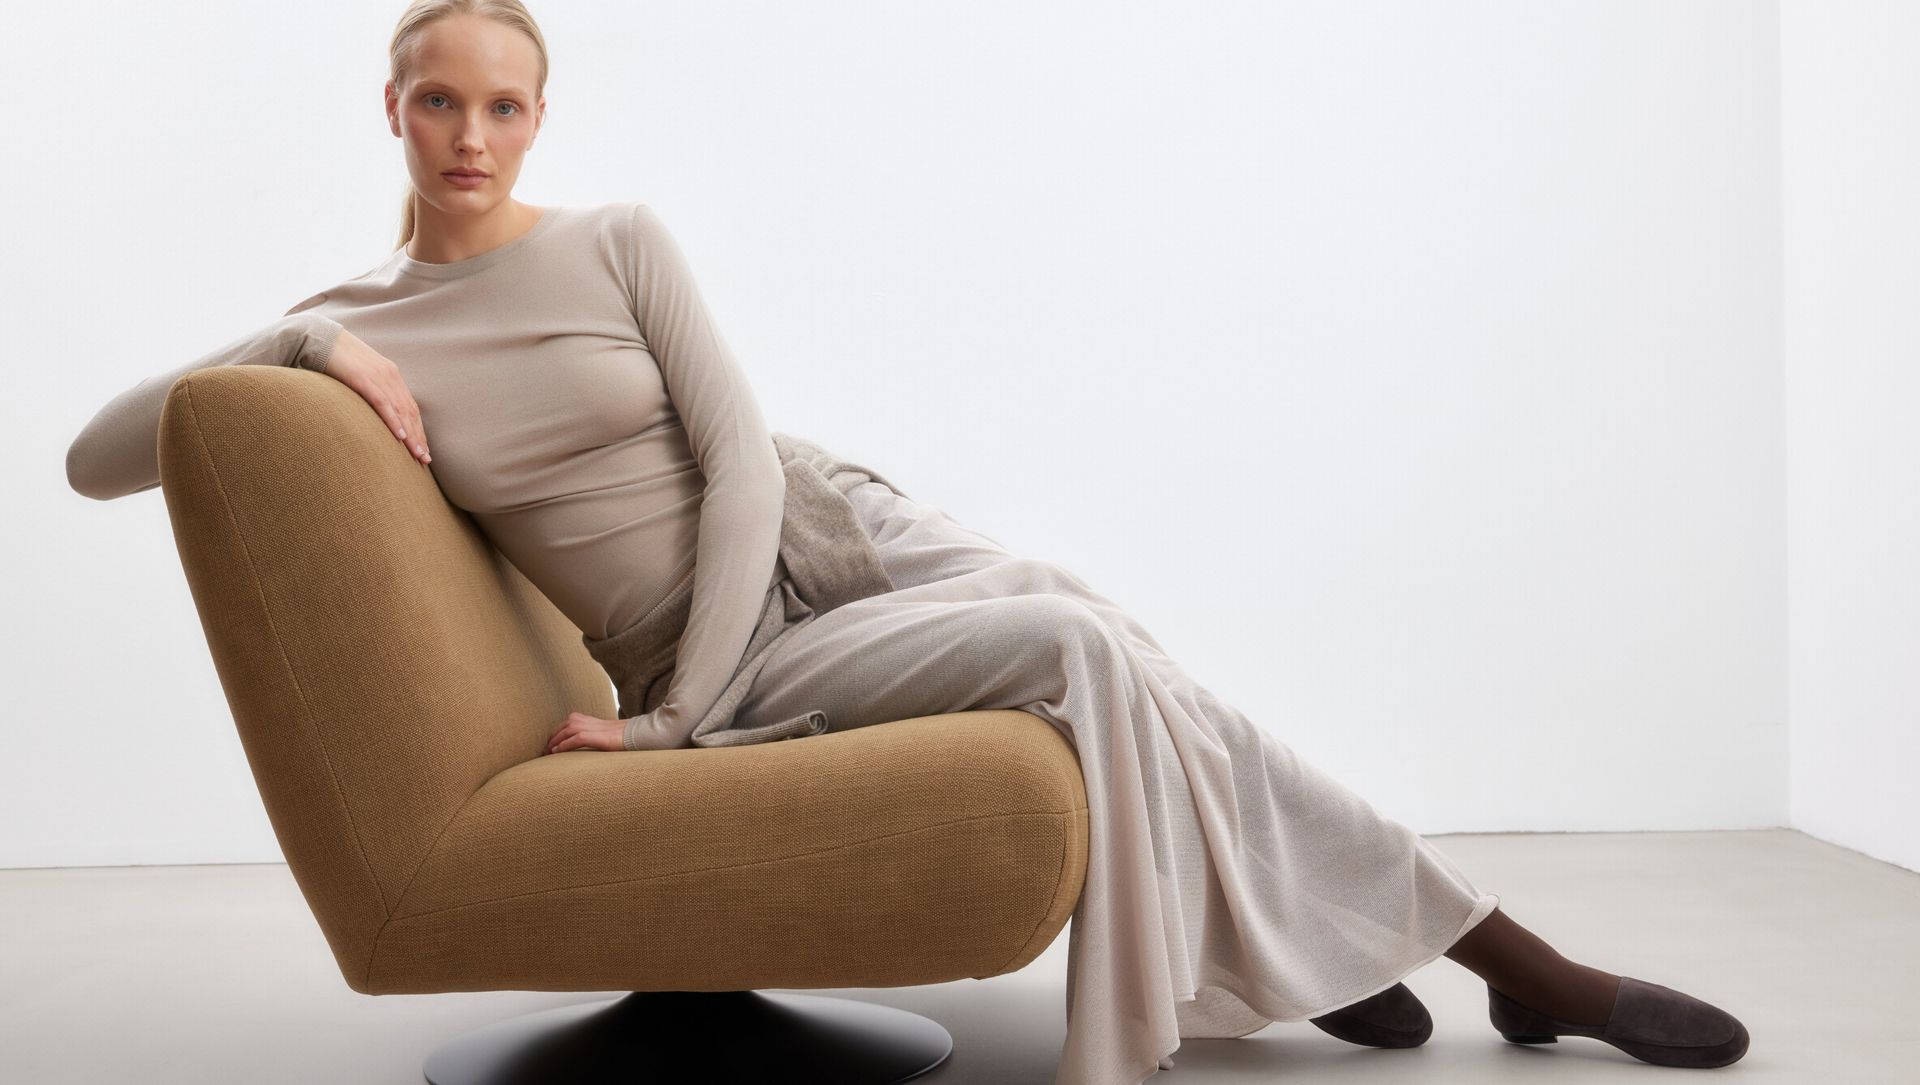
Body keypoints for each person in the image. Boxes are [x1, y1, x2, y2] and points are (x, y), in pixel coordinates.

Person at [63, 2, 1750, 1081]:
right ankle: (1484, 957)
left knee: (1107, 628)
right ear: (392, 112)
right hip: (740, 651)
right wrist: (306, 346)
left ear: (539, 118)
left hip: (834, 532)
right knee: (1086, 654)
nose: (475, 140)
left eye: (507, 107)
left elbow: (733, 460)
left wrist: (679, 715)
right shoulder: (353, 320)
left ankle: (1428, 954)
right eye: (441, 104)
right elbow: (99, 457)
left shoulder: (617, 241)